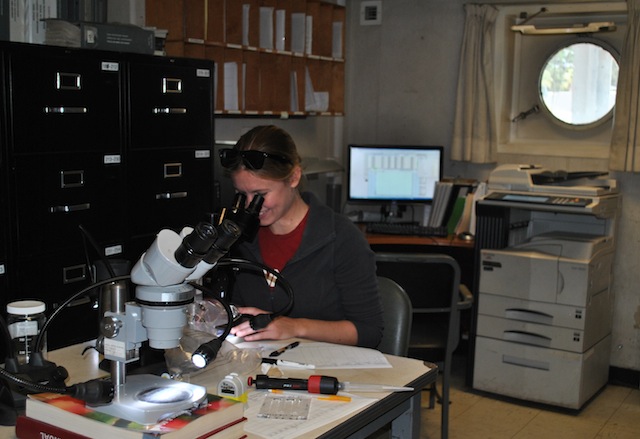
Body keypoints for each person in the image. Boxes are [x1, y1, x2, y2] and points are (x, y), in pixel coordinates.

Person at [220, 125, 383, 348]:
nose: (251, 206)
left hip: (329, 370)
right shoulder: (244, 239)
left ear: (294, 177)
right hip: (262, 366)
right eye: (242, 194)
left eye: (260, 195)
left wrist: (294, 327)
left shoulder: (341, 238)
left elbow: (369, 332)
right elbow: (238, 309)